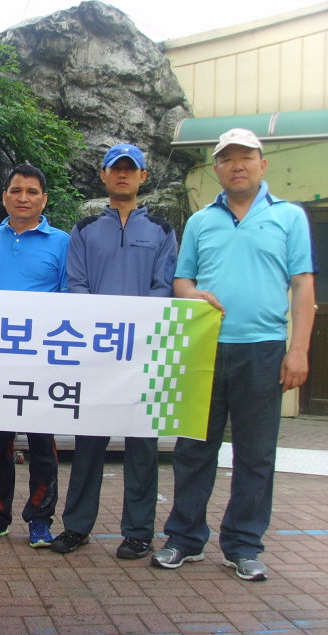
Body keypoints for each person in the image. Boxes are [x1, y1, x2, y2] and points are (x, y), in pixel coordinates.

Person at [151, 129, 315, 581]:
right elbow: (182, 281)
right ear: (217, 168)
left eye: (246, 157)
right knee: (193, 449)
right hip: (204, 347)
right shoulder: (201, 221)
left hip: (263, 350)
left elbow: (303, 285)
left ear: (263, 164)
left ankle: (243, 545)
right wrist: (194, 294)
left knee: (256, 454)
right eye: (227, 159)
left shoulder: (289, 217)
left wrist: (299, 350)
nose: (237, 165)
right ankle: (184, 539)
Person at [51, 144, 177, 559]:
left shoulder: (161, 229)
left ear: (143, 176)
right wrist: (103, 328)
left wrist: (136, 328)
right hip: (97, 354)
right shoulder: (85, 229)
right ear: (103, 175)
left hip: (144, 354)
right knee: (88, 443)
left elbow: (164, 286)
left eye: (130, 169)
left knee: (142, 446)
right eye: (115, 168)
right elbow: (76, 284)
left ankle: (139, 532)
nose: (123, 175)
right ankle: (76, 526)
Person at [0, 163, 69, 548]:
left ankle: (40, 519)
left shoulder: (62, 242)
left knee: (42, 444)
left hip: (42, 360)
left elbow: (71, 300)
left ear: (44, 199)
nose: (23, 198)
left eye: (31, 191)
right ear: (4, 196)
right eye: (16, 190)